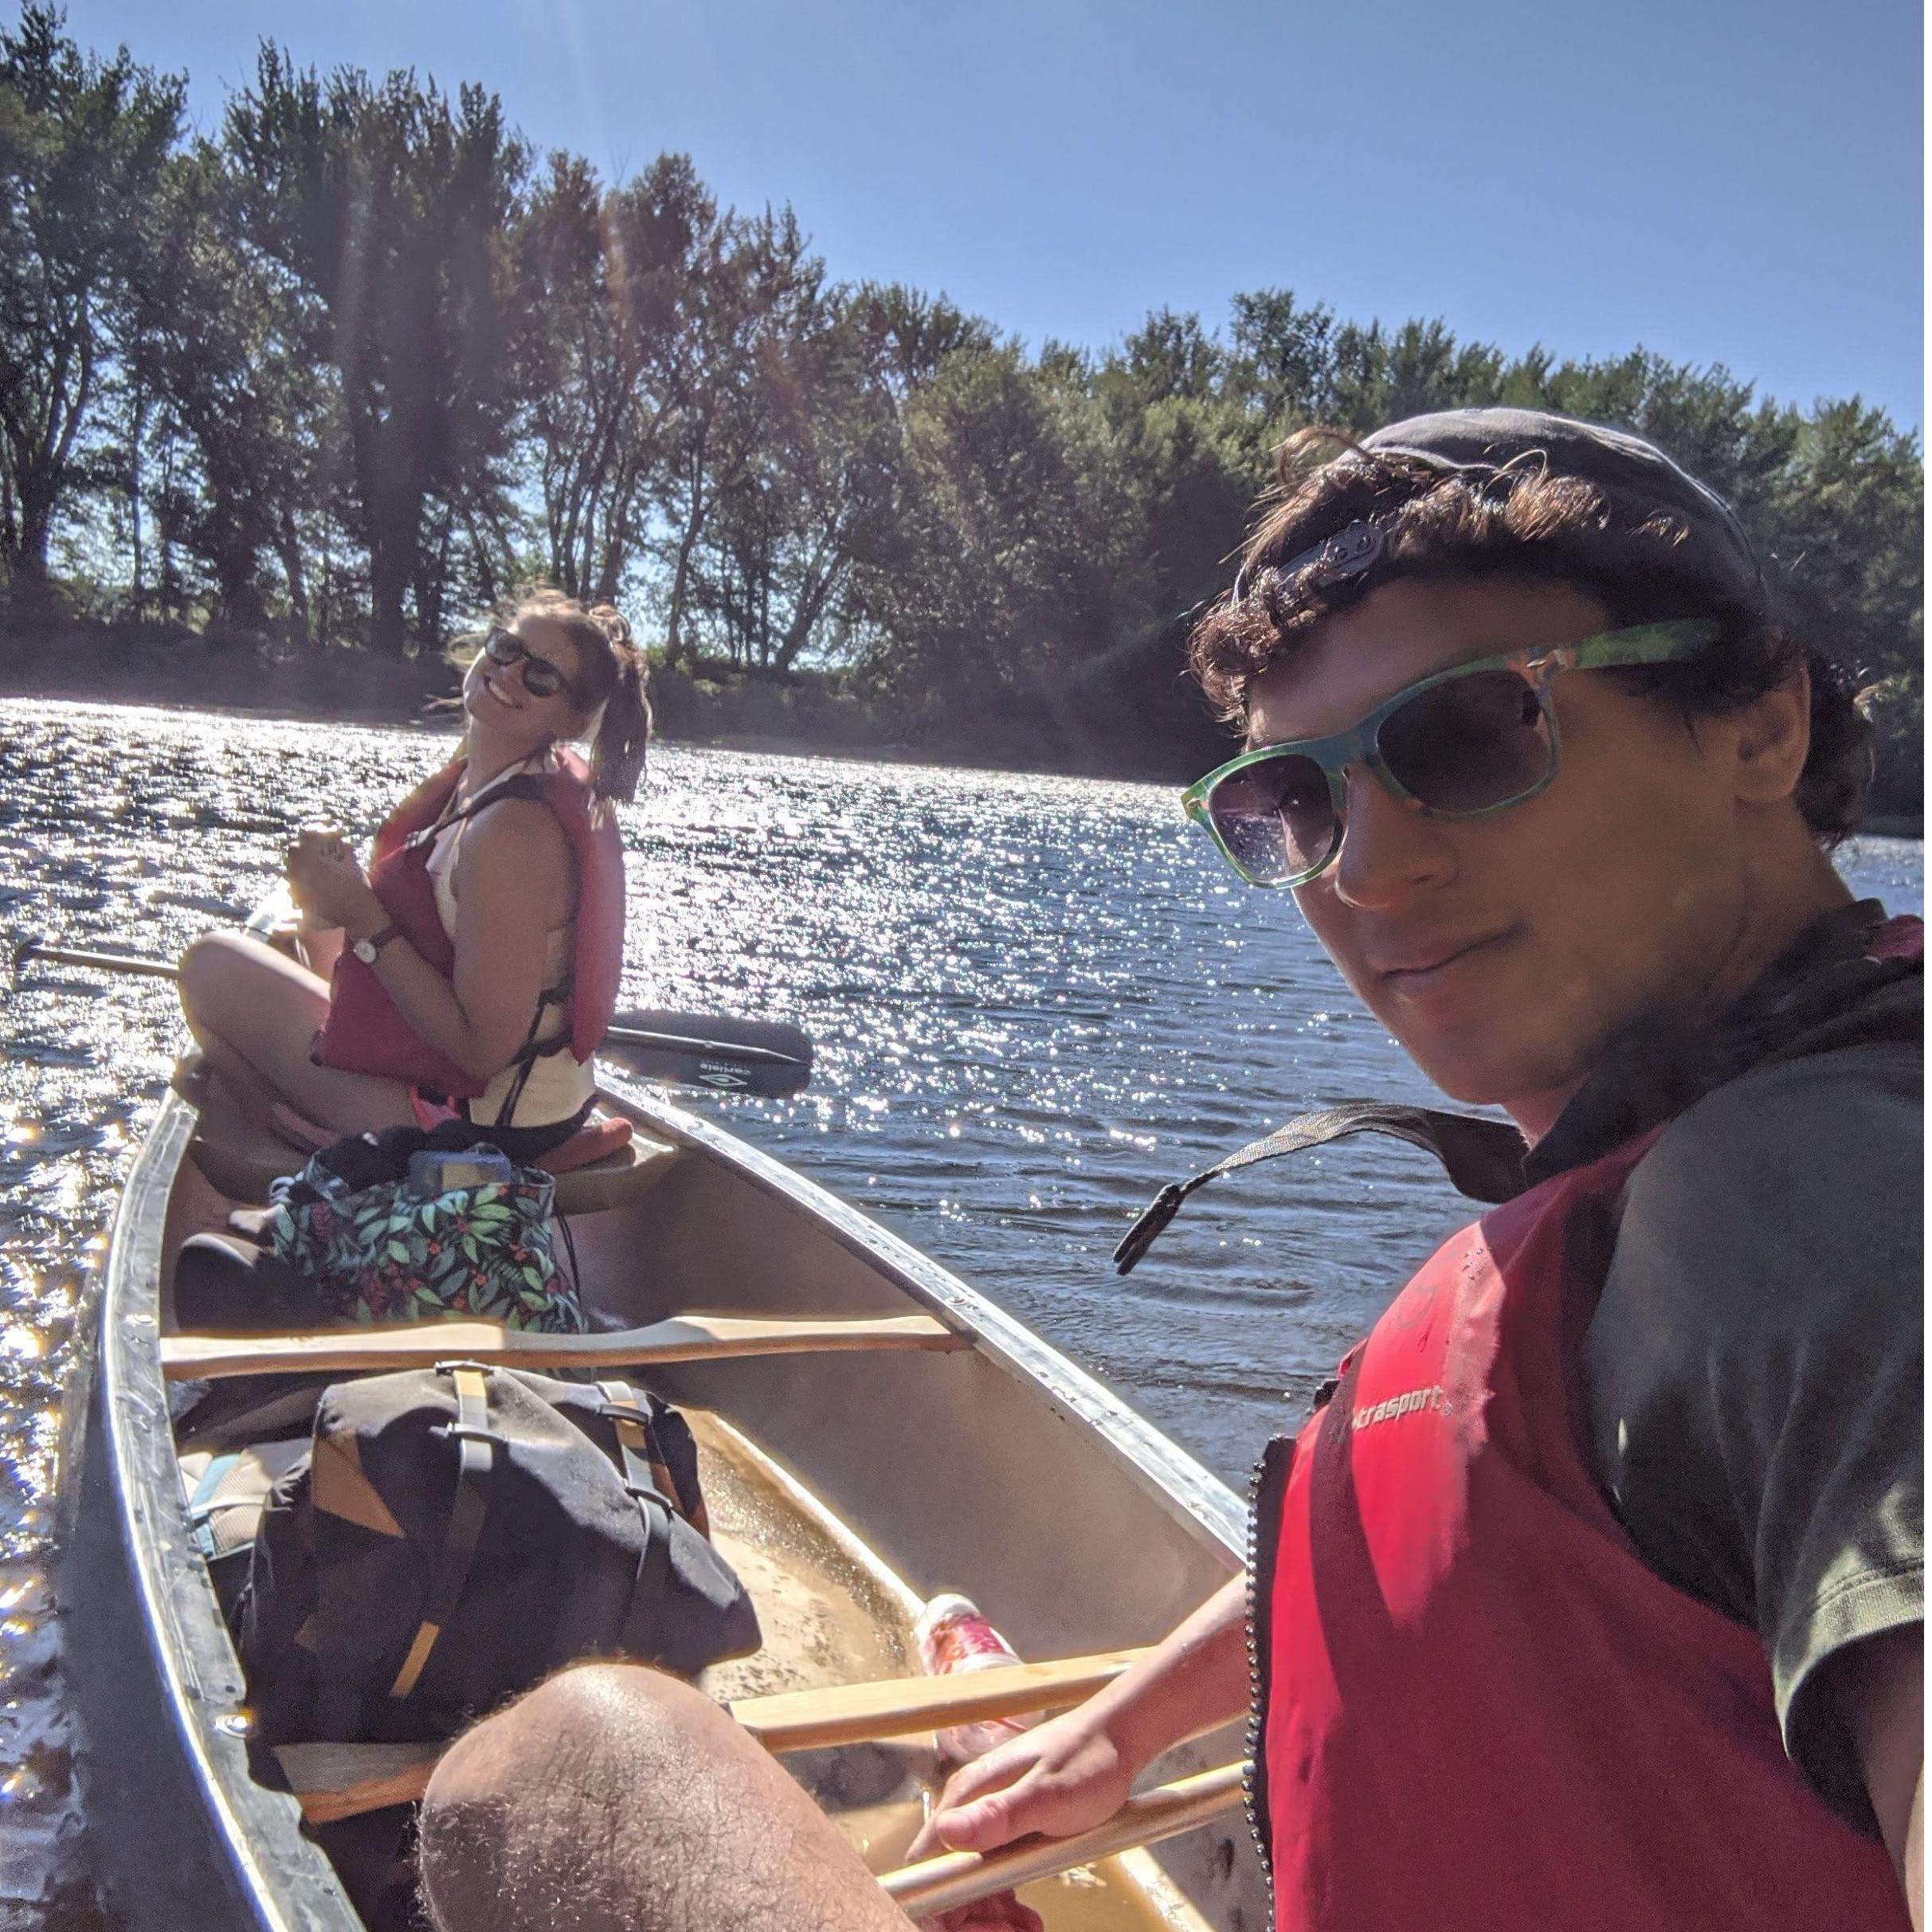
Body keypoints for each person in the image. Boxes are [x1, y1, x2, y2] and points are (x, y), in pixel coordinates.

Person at [412, 410, 1922, 1932]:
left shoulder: (1830, 1199)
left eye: (1469, 736)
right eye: (1298, 805)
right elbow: (1463, 1512)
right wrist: (1127, 1726)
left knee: (577, 1759)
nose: (1365, 873)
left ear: (1759, 727)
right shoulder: (1684, 1166)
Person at [178, 588, 649, 1168]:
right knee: (296, 934)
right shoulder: (481, 780)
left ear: (572, 719)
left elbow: (481, 1051)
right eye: (506, 648)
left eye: (542, 677)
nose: (510, 672)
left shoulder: (512, 834)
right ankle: (298, 1133)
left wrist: (364, 917)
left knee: (210, 968)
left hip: (482, 1132)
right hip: (461, 1097)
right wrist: (335, 910)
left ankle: (307, 1148)